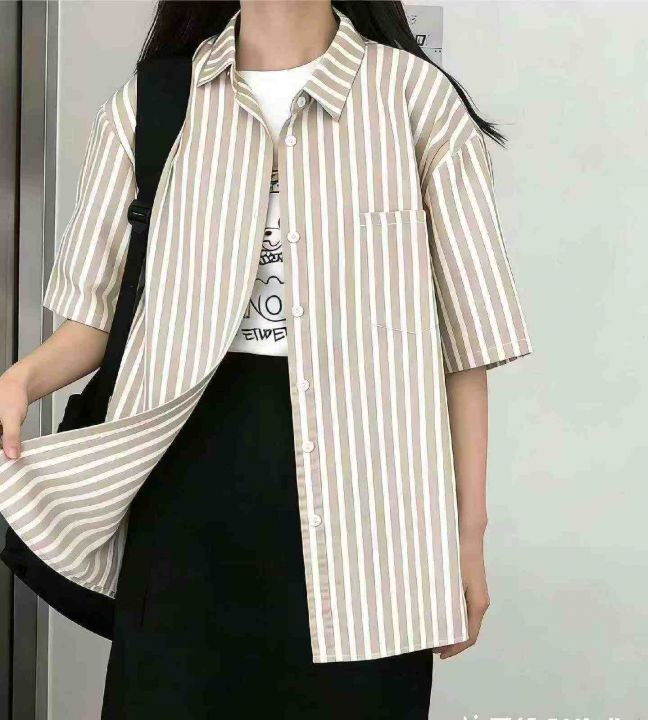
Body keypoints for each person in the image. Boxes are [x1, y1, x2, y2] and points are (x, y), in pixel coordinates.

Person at [0, 1, 532, 717]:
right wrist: (20, 380)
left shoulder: (416, 101)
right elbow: (96, 321)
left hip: (374, 515)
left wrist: (469, 538)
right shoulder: (152, 106)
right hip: (184, 494)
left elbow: (465, 349)